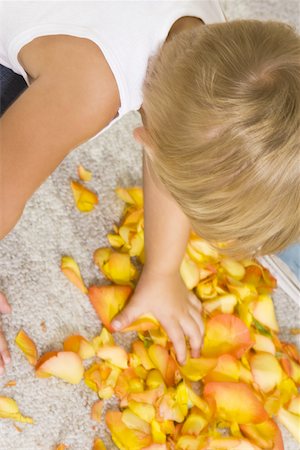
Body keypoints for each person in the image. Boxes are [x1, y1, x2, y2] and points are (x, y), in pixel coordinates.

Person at [0, 1, 299, 376]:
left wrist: (163, 270)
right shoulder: (88, 89)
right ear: (143, 140)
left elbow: (177, 139)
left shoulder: (213, 41)